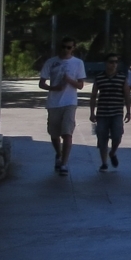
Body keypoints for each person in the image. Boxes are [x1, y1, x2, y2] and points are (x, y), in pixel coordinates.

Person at [38, 39, 85, 175]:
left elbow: (81, 85)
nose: (66, 50)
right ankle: (58, 154)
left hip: (70, 102)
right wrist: (54, 88)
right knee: (54, 134)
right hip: (54, 103)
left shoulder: (78, 63)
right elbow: (41, 83)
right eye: (63, 47)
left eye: (69, 47)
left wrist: (69, 80)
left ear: (73, 48)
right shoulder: (51, 62)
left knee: (67, 133)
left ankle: (64, 163)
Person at [89, 54, 131, 171]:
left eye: (116, 62)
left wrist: (128, 111)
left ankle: (112, 152)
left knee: (117, 135)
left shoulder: (122, 78)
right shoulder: (99, 78)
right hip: (102, 112)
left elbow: (127, 95)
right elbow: (93, 96)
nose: (113, 64)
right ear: (106, 63)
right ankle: (104, 162)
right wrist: (92, 112)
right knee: (102, 137)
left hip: (117, 112)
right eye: (111, 62)